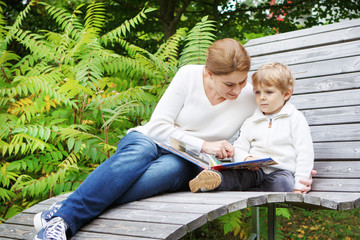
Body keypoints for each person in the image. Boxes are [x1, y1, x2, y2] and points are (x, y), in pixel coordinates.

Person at [34, 40, 315, 240]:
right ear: (209, 73)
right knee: (138, 155)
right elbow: (158, 127)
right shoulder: (189, 76)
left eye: (243, 82)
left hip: (185, 159)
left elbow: (273, 123)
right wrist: (203, 144)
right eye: (230, 84)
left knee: (171, 171)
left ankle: (65, 209)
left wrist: (293, 165)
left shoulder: (248, 96)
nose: (239, 89)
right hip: (150, 140)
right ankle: (65, 221)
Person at [189, 62, 314, 194]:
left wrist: (300, 185)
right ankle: (212, 181)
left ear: (286, 94)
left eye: (269, 92)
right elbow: (238, 148)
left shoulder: (295, 119)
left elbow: (304, 153)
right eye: (257, 92)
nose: (262, 97)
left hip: (281, 172)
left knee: (283, 184)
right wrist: (246, 159)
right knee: (239, 177)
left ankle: (248, 192)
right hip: (254, 170)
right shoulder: (251, 121)